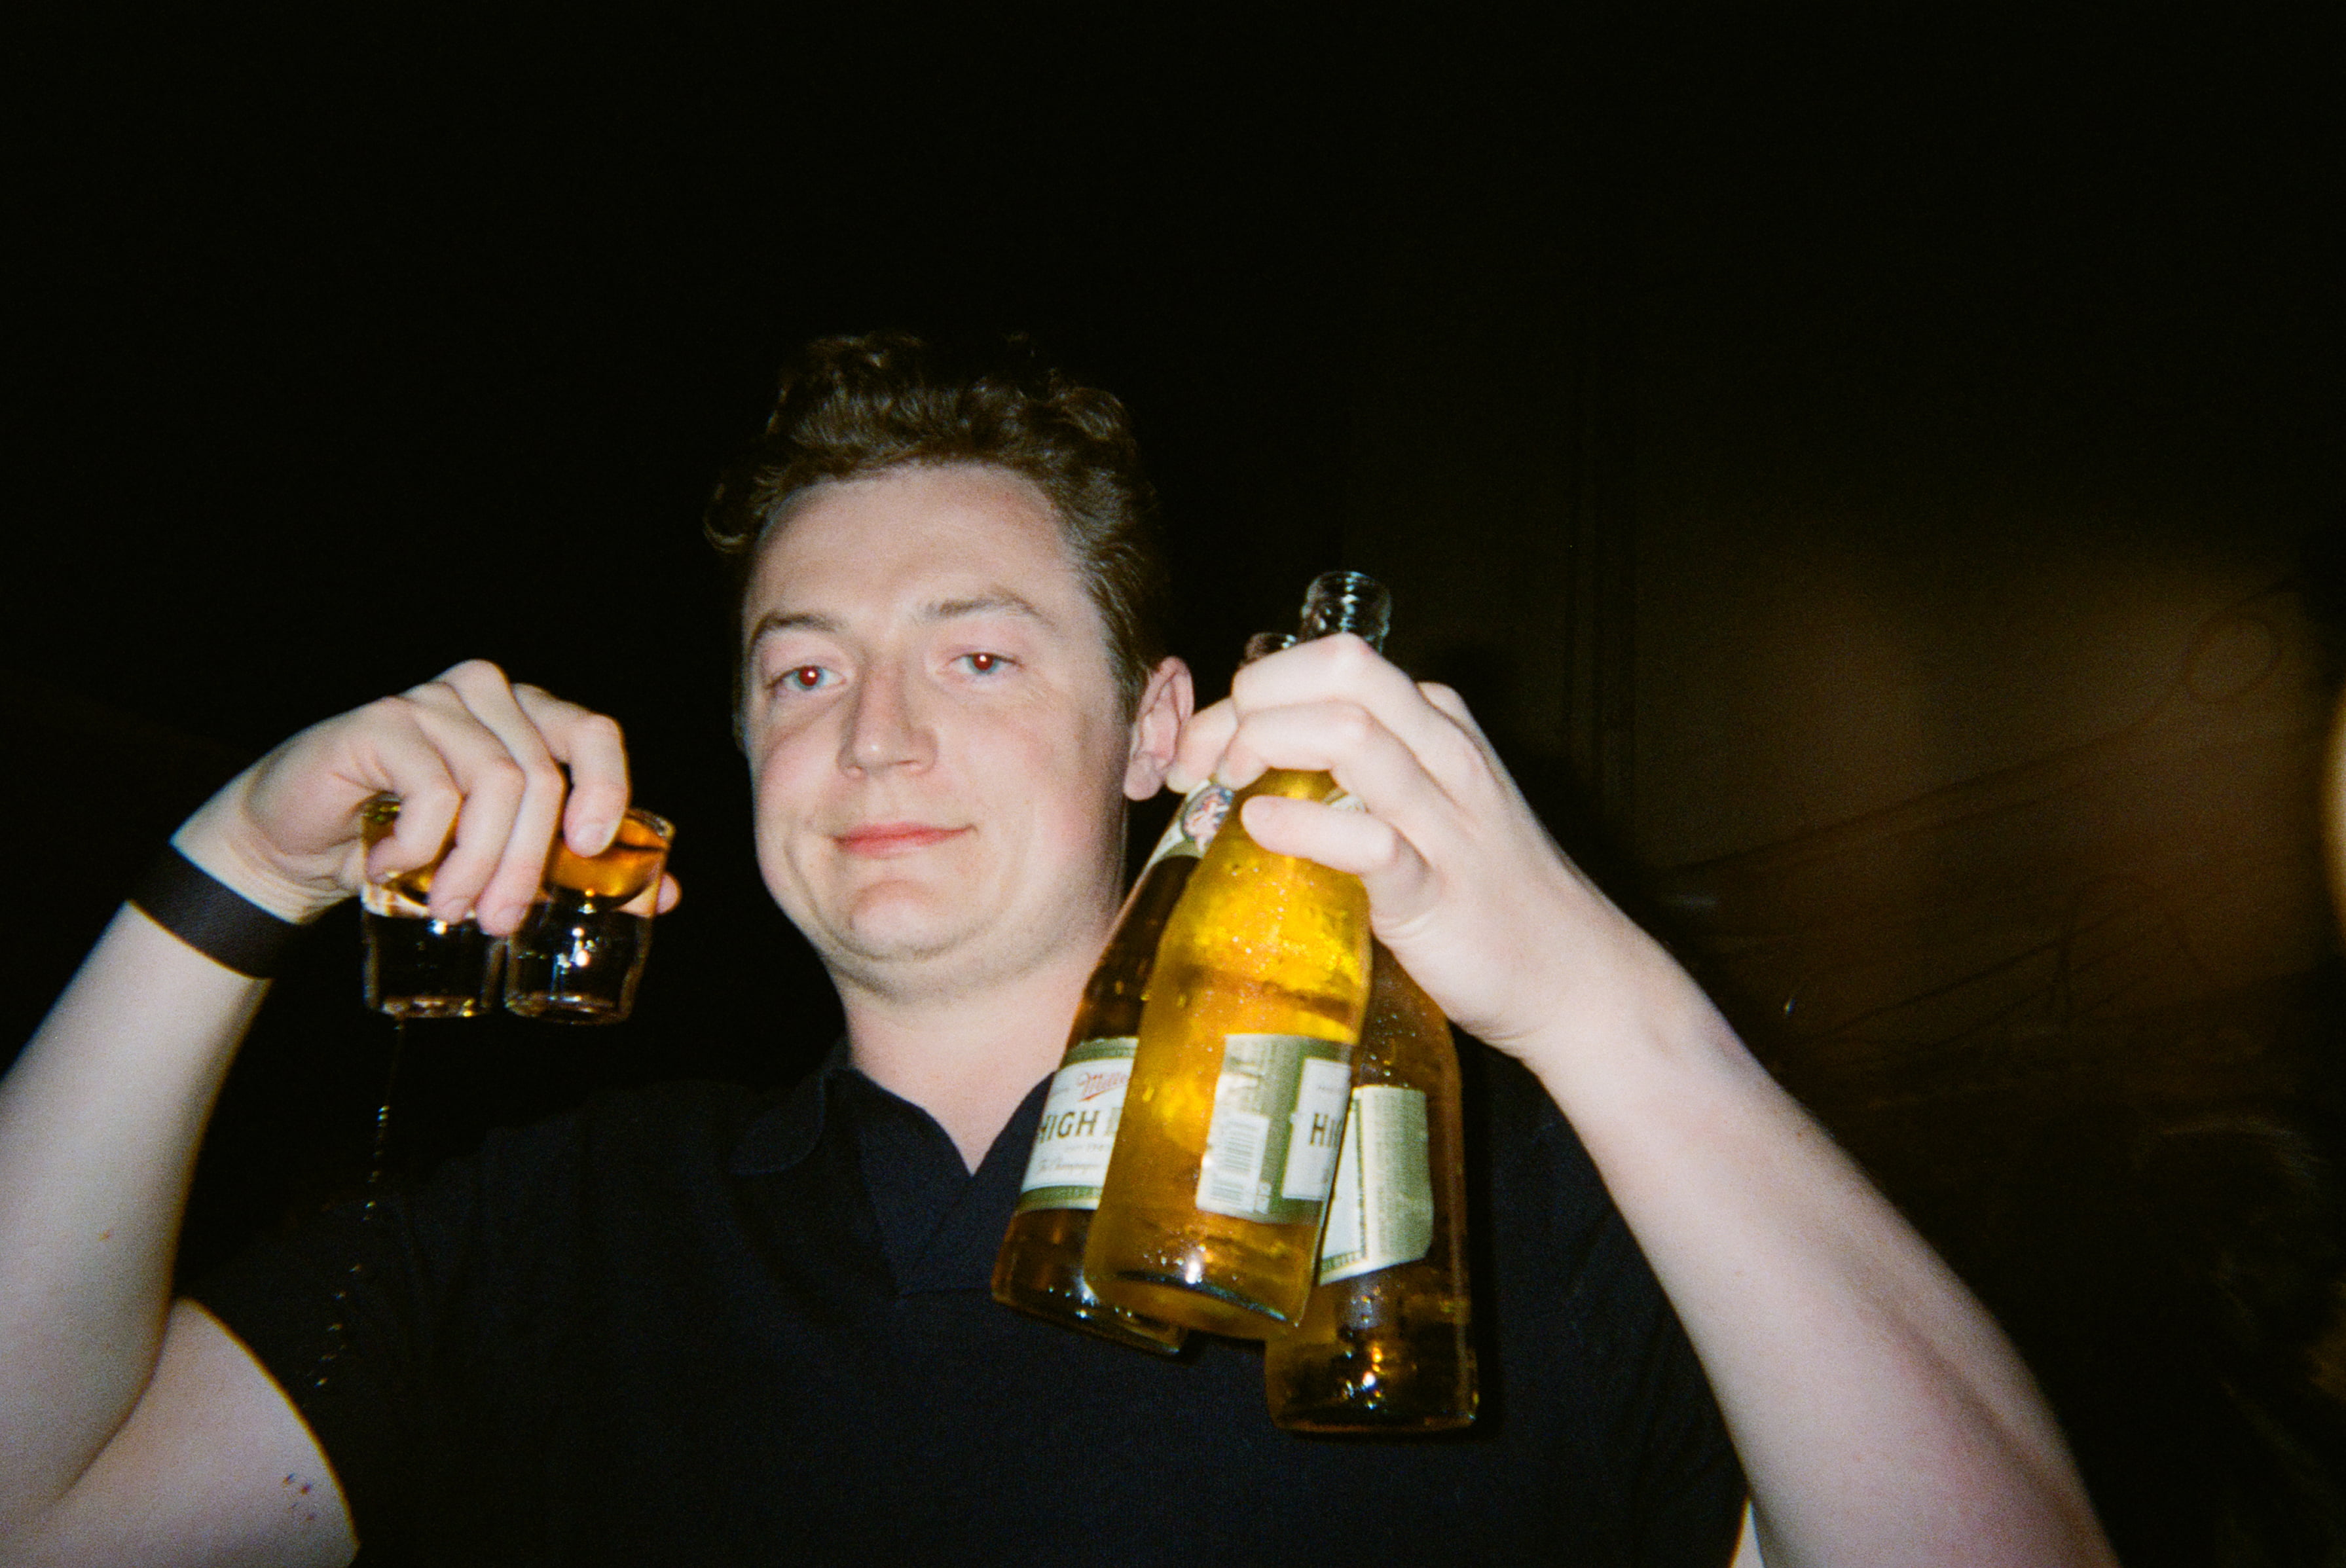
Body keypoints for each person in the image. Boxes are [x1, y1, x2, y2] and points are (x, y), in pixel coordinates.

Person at [0, 333, 2117, 1566]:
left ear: (1165, 729)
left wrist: (1593, 994)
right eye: (804, 672)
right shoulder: (562, 1240)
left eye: (983, 650)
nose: (880, 734)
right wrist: (234, 865)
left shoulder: (1491, 1212)